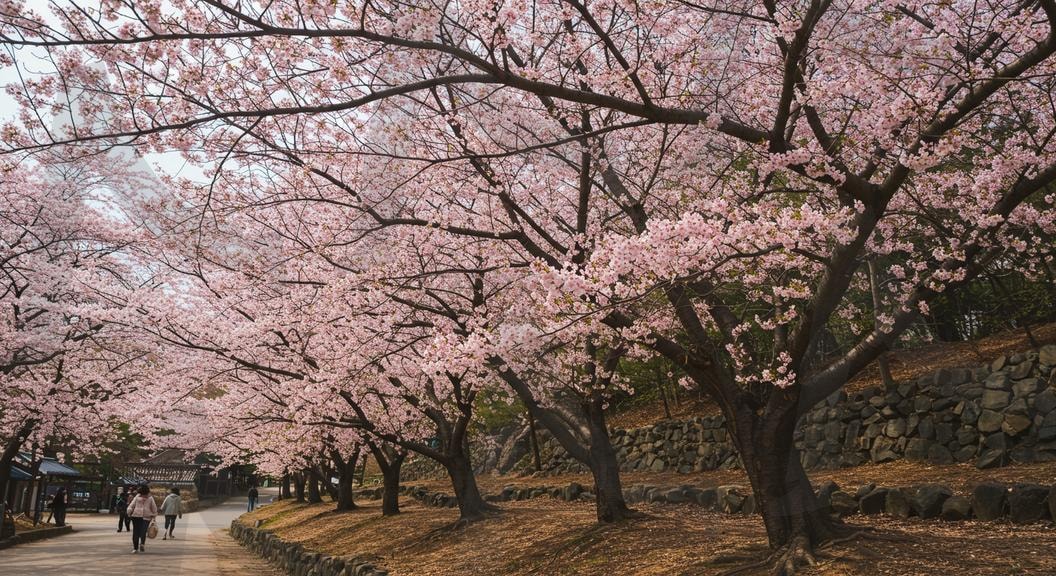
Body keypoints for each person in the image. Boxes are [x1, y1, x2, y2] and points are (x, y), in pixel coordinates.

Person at [126, 485, 157, 553]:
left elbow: (154, 507)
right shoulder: (137, 497)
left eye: (144, 493)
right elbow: (131, 505)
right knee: (135, 533)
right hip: (136, 516)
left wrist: (154, 516)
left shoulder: (150, 498)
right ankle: (135, 548)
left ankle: (142, 544)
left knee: (143, 532)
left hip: (146, 517)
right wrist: (129, 511)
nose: (143, 495)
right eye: (141, 493)